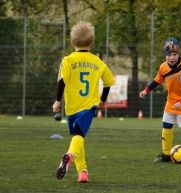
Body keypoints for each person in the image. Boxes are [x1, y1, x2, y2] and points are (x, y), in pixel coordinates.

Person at [52, 21, 115, 183]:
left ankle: (83, 172)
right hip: (89, 106)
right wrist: (102, 100)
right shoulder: (97, 61)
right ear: (91, 42)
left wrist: (57, 101)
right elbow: (108, 82)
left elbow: (61, 82)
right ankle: (70, 156)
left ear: (73, 42)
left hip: (72, 108)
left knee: (77, 136)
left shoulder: (67, 61)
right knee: (78, 138)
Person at [139, 37, 181, 162]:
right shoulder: (163, 67)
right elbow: (157, 81)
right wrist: (146, 90)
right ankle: (166, 155)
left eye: (174, 54)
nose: (172, 58)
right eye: (169, 55)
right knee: (166, 125)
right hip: (171, 102)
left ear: (178, 54)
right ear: (165, 55)